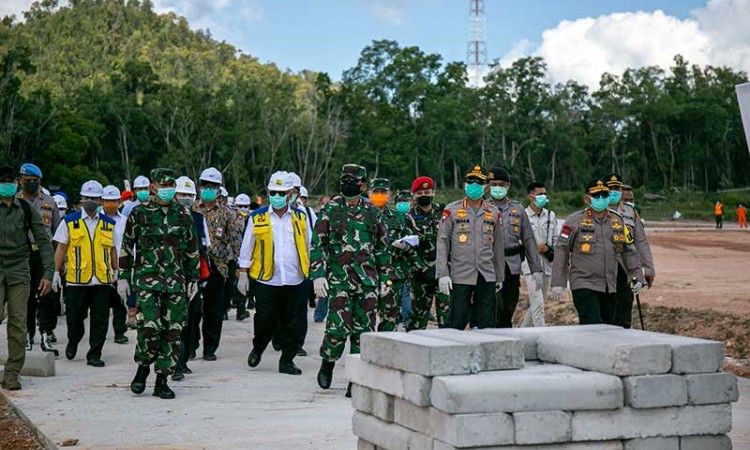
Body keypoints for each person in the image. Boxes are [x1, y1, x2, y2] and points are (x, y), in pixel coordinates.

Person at [311, 164, 392, 395]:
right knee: (337, 328)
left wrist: (386, 281)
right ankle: (328, 362)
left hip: (367, 282)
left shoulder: (372, 211)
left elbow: (383, 248)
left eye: (353, 180)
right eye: (345, 179)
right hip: (340, 281)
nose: (348, 183)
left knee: (363, 332)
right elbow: (318, 244)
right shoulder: (331, 209)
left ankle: (356, 379)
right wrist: (317, 275)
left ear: (363, 184)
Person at [119, 168, 199, 399]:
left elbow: (192, 250)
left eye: (170, 185)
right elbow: (127, 245)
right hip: (147, 280)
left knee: (172, 331)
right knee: (149, 327)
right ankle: (143, 368)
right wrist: (123, 277)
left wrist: (193, 279)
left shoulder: (184, 215)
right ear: (153, 186)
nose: (167, 190)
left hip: (175, 282)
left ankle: (162, 379)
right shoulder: (139, 213)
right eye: (163, 186)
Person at [237, 171, 312, 376]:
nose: (276, 196)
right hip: (266, 279)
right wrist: (243, 273)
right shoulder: (257, 216)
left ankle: (287, 360)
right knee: (265, 319)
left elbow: (308, 246)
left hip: (294, 279)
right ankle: (258, 346)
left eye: (281, 192)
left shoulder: (300, 217)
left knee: (292, 323)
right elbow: (247, 246)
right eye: (272, 192)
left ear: (290, 194)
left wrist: (314, 273)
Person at [551, 178, 645, 325]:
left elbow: (628, 250)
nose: (601, 199)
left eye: (604, 195)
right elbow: (561, 250)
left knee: (608, 325)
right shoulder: (574, 221)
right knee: (592, 322)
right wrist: (558, 281)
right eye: (596, 196)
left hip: (609, 285)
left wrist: (636, 275)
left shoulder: (617, 221)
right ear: (587, 198)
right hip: (583, 282)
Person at [52, 181, 117, 368]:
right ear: (81, 199)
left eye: (95, 198)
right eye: (88, 198)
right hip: (76, 280)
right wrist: (56, 271)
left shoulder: (108, 224)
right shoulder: (70, 221)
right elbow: (61, 248)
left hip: (102, 280)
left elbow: (113, 249)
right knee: (74, 318)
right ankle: (73, 341)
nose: (91, 202)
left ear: (100, 200)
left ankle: (94, 354)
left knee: (100, 320)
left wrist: (116, 271)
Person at [0, 165, 54, 390]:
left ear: (17, 183)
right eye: (4, 181)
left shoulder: (25, 207)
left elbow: (43, 239)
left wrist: (48, 273)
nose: (8, 185)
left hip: (19, 268)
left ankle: (12, 372)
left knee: (18, 321)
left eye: (11, 181)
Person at [436, 165, 505, 330]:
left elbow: (498, 247)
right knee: (456, 322)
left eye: (479, 182)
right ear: (464, 184)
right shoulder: (452, 210)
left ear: (486, 186)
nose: (474, 185)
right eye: (470, 181)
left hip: (486, 274)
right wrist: (442, 274)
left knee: (487, 324)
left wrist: (499, 276)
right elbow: (442, 242)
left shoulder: (494, 213)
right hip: (460, 274)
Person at [192, 167, 242, 361]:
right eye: (205, 185)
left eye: (213, 186)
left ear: (220, 189)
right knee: (194, 309)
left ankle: (210, 348)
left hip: (218, 267)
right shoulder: (192, 209)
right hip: (195, 266)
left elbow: (235, 241)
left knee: (214, 310)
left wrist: (240, 267)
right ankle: (191, 344)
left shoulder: (228, 214)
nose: (208, 190)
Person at [486, 167, 543, 328]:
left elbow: (529, 239)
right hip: (489, 265)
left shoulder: (517, 209)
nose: (498, 187)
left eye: (501, 184)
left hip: (512, 265)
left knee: (510, 304)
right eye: (494, 184)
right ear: (489, 186)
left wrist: (536, 269)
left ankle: (506, 335)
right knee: (495, 305)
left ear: (508, 185)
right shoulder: (482, 207)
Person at [16, 163, 61, 352]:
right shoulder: (14, 201)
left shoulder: (49, 202)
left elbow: (58, 234)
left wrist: (58, 263)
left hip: (44, 254)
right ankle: (26, 335)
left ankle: (46, 334)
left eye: (35, 181)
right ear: (20, 181)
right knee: (25, 297)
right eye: (28, 181)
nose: (32, 184)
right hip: (22, 255)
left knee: (47, 295)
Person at [368, 178, 422, 331]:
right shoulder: (360, 216)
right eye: (376, 192)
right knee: (364, 319)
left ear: (389, 194)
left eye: (383, 192)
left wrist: (405, 246)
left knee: (390, 317)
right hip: (365, 276)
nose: (379, 195)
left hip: (393, 276)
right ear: (369, 194)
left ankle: (385, 352)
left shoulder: (399, 218)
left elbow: (414, 241)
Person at [173, 176, 211, 381]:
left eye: (189, 195)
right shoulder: (165, 216)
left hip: (192, 278)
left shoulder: (198, 219)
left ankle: (184, 359)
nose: (185, 198)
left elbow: (204, 248)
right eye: (182, 194)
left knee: (189, 321)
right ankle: (175, 363)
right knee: (174, 322)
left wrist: (200, 280)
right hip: (169, 277)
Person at [606, 174, 656, 329]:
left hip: (626, 267)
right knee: (607, 308)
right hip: (604, 268)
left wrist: (648, 268)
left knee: (625, 306)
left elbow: (641, 241)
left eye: (617, 188)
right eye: (611, 188)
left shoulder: (630, 212)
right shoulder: (598, 210)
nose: (615, 191)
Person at [406, 176, 449, 330]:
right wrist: (422, 268)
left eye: (427, 191)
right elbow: (407, 247)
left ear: (433, 192)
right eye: (420, 193)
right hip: (420, 276)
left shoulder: (443, 212)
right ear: (414, 195)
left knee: (447, 315)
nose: (424, 195)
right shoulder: (409, 217)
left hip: (444, 273)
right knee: (418, 317)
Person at [520, 182, 557, 327]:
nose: (543, 197)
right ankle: (540, 337)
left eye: (544, 194)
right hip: (530, 265)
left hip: (547, 264)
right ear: (531, 196)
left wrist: (549, 250)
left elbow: (556, 239)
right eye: (540, 194)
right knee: (538, 305)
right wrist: (535, 248)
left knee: (537, 305)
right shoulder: (523, 215)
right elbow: (519, 240)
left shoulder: (550, 215)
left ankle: (522, 333)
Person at [101, 185, 129, 344]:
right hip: (101, 266)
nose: (110, 204)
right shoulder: (97, 219)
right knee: (102, 304)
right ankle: (100, 332)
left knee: (120, 302)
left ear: (119, 202)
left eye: (114, 201)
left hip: (121, 265)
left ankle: (120, 332)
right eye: (107, 201)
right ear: (102, 201)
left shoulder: (125, 221)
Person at [393, 190, 414, 324]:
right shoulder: (390, 218)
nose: (403, 204)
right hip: (393, 267)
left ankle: (407, 322)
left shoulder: (413, 218)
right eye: (400, 202)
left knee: (407, 297)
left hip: (409, 265)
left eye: (405, 201)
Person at [233, 193, 253, 321]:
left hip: (252, 258)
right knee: (239, 283)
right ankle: (240, 308)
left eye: (245, 206)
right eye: (240, 206)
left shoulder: (254, 219)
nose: (243, 208)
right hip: (238, 257)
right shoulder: (232, 220)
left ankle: (250, 302)